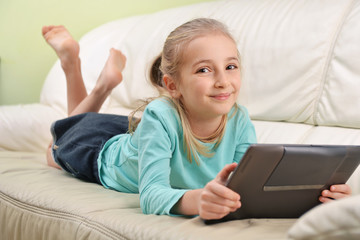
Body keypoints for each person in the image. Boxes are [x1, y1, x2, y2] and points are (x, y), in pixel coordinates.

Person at [42, 18, 352, 220]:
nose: (222, 81)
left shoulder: (239, 118)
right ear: (172, 85)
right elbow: (150, 197)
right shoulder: (160, 115)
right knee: (55, 147)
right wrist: (198, 200)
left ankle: (101, 83)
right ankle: (86, 74)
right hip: (101, 152)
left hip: (138, 137)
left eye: (230, 66)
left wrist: (315, 196)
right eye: (204, 70)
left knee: (82, 129)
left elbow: (249, 187)